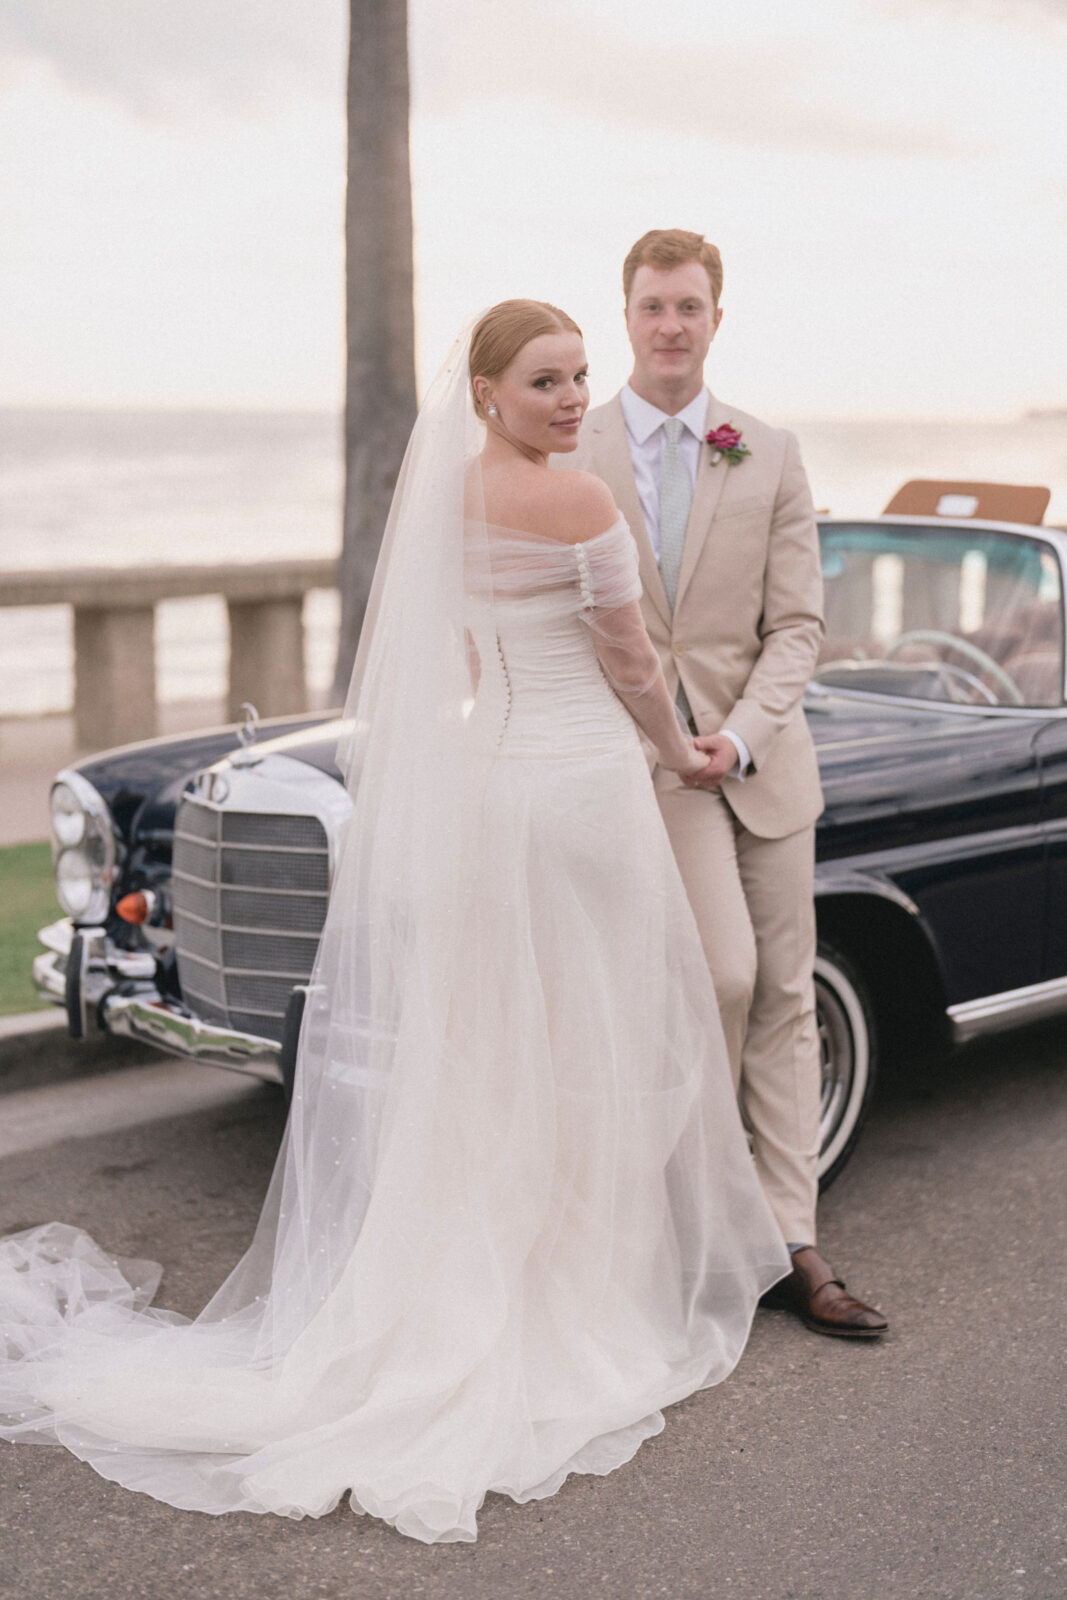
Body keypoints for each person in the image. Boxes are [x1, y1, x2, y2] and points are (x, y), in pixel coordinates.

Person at [0, 301, 790, 1544]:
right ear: (485, 392)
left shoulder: (447, 505)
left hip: (495, 785)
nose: (574, 399)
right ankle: (571, 1294)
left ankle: (480, 1282)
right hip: (581, 782)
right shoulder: (579, 503)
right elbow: (631, 661)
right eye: (545, 382)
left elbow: (466, 668)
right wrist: (678, 750)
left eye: (581, 377)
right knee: (594, 1040)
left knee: (494, 1049)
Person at [562, 230, 887, 1337]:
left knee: (786, 997)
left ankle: (793, 1243)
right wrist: (658, 744)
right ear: (625, 315)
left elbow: (796, 625)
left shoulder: (770, 451)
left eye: (688, 306)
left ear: (714, 317)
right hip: (643, 774)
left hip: (761, 767)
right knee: (711, 980)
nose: (670, 325)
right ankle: (690, 1228)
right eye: (652, 306)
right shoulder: (577, 448)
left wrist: (739, 739)